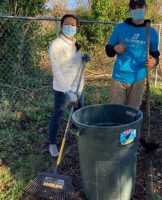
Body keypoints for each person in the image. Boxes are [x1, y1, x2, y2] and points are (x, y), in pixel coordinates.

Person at [105, 0, 160, 110]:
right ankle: (116, 128)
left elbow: (156, 56)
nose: (137, 9)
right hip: (119, 77)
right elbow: (108, 50)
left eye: (140, 6)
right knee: (115, 111)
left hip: (138, 78)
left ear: (146, 8)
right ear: (129, 10)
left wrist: (154, 61)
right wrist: (115, 48)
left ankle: (131, 128)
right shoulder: (120, 28)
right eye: (133, 7)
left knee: (132, 112)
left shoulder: (151, 32)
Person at [48, 14, 89, 157]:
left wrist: (83, 58)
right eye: (67, 24)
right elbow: (57, 71)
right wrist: (68, 91)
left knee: (79, 113)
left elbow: (74, 63)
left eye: (73, 25)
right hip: (63, 90)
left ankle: (78, 136)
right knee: (58, 115)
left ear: (77, 27)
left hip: (79, 87)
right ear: (61, 26)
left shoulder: (75, 44)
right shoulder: (56, 45)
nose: (70, 27)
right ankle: (52, 143)